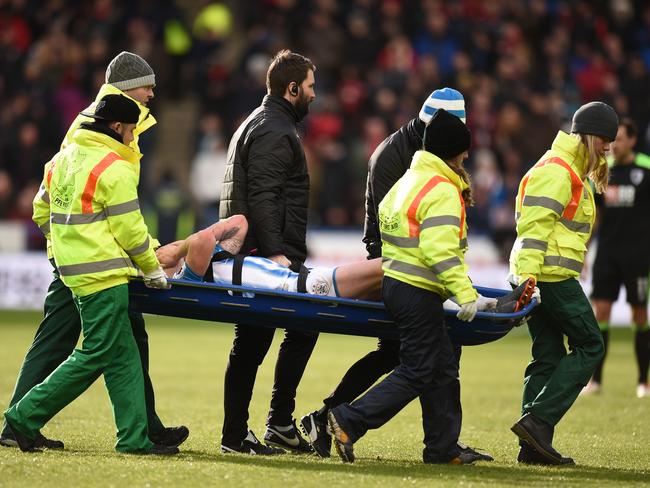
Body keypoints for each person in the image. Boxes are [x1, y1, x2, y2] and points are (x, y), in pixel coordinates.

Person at [0, 51, 188, 450]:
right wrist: (68, 247)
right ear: (124, 97)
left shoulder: (101, 125)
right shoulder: (104, 139)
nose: (153, 92)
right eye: (147, 85)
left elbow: (50, 200)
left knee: (125, 345)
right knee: (81, 344)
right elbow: (110, 211)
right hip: (94, 260)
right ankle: (19, 420)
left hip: (93, 256)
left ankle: (140, 433)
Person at [301, 88, 492, 462]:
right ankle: (339, 418)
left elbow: (395, 218)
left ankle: (442, 446)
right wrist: (462, 292)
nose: (466, 155)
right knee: (417, 363)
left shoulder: (415, 168)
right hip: (407, 277)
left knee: (436, 359)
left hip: (404, 276)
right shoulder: (417, 170)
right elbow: (431, 244)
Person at [218, 49, 317, 455]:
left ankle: (262, 427)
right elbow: (263, 194)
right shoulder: (276, 129)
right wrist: (275, 254)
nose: (315, 94)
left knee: (270, 338)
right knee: (269, 338)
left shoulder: (259, 122)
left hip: (256, 250)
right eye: (311, 87)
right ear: (292, 89)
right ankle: (259, 429)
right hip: (264, 255)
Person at [508, 101, 617, 465]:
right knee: (590, 344)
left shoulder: (568, 169)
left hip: (542, 274)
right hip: (549, 276)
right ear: (589, 135)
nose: (608, 147)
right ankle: (538, 423)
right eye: (604, 139)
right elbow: (532, 230)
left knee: (549, 354)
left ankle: (532, 446)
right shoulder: (559, 171)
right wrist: (528, 278)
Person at [584, 118, 650, 398]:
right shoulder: (603, 169)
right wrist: (585, 248)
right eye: (613, 140)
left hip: (638, 255)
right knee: (601, 313)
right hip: (607, 254)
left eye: (620, 139)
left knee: (639, 314)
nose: (614, 145)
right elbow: (594, 215)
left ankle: (643, 382)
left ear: (632, 141)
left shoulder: (646, 168)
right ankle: (596, 381)